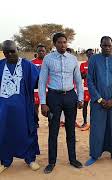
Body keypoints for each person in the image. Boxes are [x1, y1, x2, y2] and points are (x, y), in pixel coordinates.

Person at [39, 32, 84, 173]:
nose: (63, 45)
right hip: (53, 97)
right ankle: (51, 162)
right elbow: (41, 82)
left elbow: (78, 81)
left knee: (71, 129)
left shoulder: (73, 59)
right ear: (54, 44)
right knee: (53, 130)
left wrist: (80, 98)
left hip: (70, 96)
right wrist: (43, 102)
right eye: (60, 42)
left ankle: (73, 159)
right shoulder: (48, 59)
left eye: (65, 42)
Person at [0, 40, 40, 174]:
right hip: (4, 110)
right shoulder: (0, 66)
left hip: (24, 108)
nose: (10, 54)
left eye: (13, 51)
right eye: (6, 52)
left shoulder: (27, 65)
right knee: (4, 134)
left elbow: (39, 81)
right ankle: (5, 161)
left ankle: (30, 159)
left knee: (27, 132)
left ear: (17, 50)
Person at [85, 36, 112, 166]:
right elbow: (89, 80)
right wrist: (100, 99)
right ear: (100, 46)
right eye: (105, 46)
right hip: (98, 102)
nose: (107, 48)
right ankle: (95, 155)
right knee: (97, 128)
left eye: (109, 46)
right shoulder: (94, 60)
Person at [32, 44, 47, 128]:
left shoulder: (49, 62)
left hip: (47, 89)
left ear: (46, 52)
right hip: (36, 89)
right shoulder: (32, 62)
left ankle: (50, 122)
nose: (41, 52)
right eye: (39, 51)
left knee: (48, 107)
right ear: (37, 52)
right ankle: (36, 122)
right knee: (35, 107)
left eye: (43, 51)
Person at [79, 48, 94, 131]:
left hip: (94, 89)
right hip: (86, 88)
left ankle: (93, 122)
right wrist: (87, 74)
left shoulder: (96, 64)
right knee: (85, 105)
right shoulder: (83, 64)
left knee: (94, 106)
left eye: (92, 53)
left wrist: (87, 74)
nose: (91, 55)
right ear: (87, 55)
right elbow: (81, 76)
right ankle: (85, 122)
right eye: (89, 54)